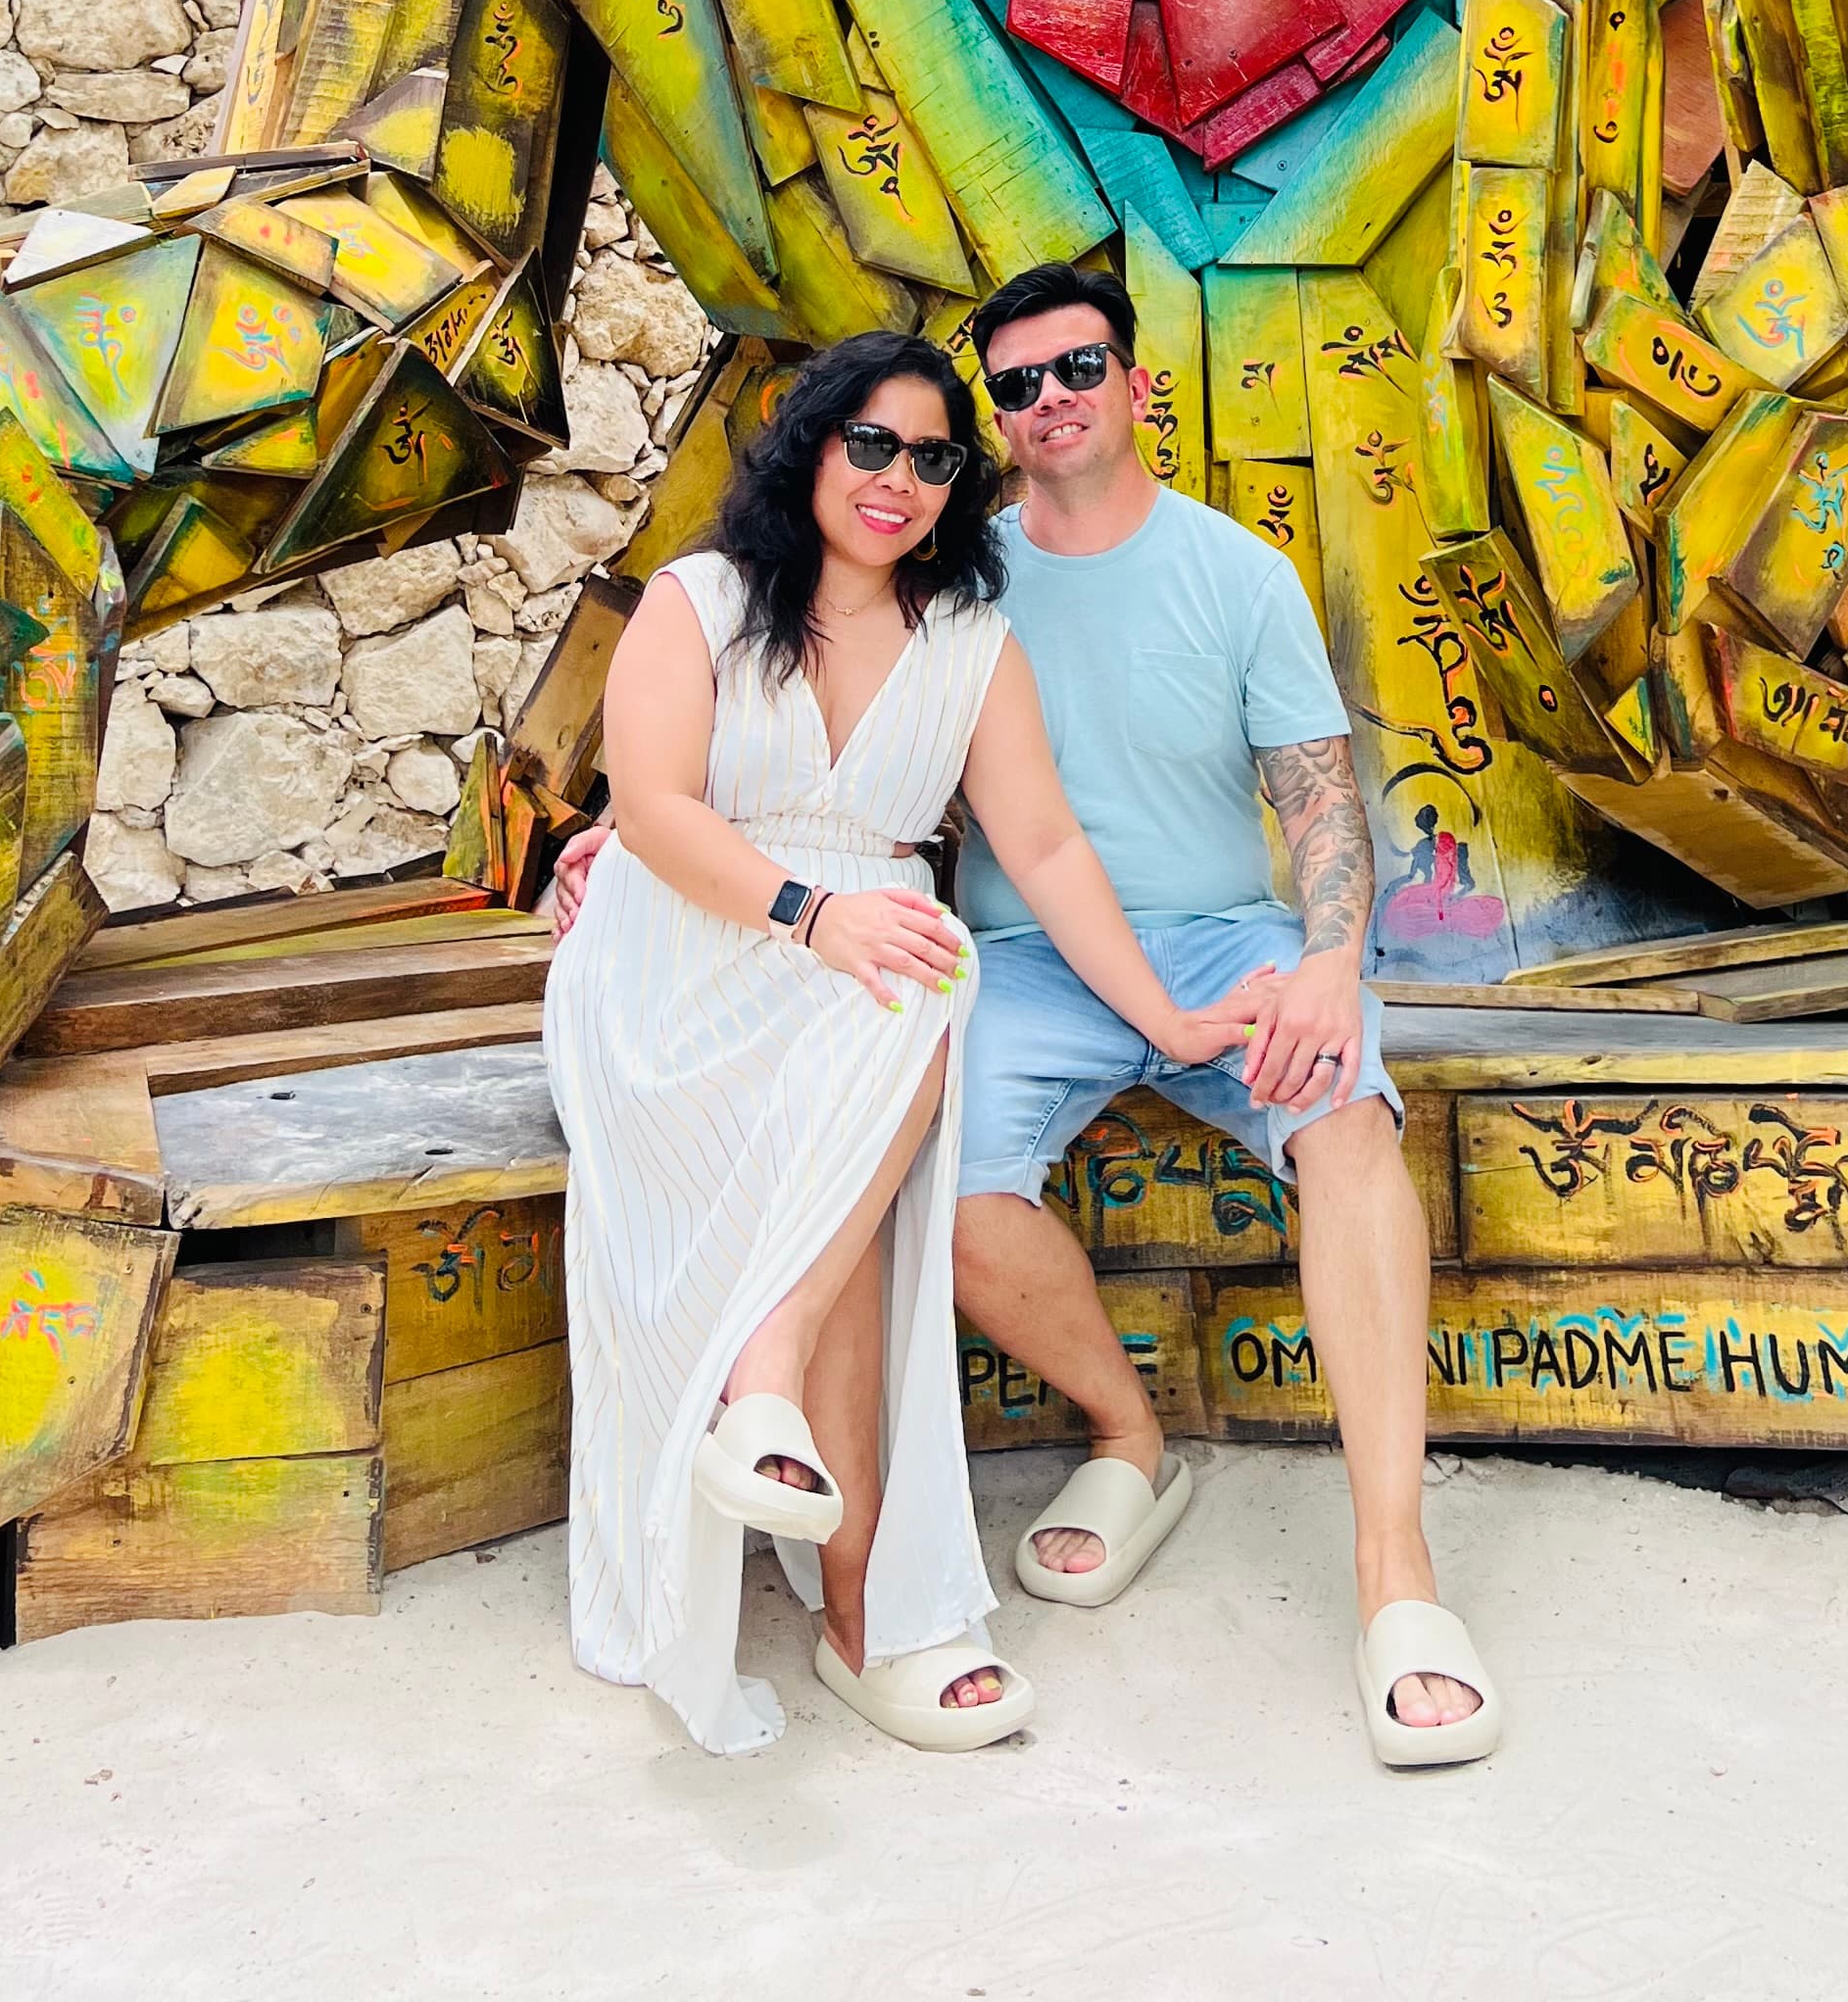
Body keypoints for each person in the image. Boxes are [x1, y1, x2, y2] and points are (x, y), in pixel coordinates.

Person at [544, 327, 1254, 1760]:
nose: (901, 480)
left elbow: (1042, 844)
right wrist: (813, 914)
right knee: (898, 988)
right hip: (688, 945)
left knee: (914, 985)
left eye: (934, 459)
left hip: (857, 975)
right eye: (871, 443)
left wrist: (1168, 1020)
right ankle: (859, 1592)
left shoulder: (969, 644)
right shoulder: (701, 600)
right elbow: (657, 810)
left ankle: (788, 1439)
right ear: (810, 442)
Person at [950, 261, 1500, 1773]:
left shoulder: (1233, 571)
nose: (1050, 399)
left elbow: (1319, 801)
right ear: (998, 419)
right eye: (1017, 385)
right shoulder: (960, 579)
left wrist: (1334, 960)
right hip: (1028, 963)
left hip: (1227, 949)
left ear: (1139, 388)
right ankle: (1130, 1438)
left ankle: (1397, 1570)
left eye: (1077, 369)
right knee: (942, 1185)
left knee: (1347, 1122)